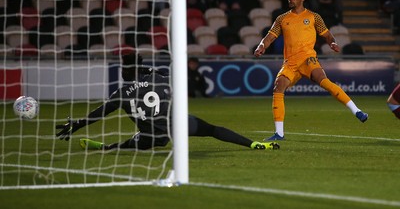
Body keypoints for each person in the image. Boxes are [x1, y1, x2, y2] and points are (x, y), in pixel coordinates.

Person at [56, 52, 279, 150]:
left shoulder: (121, 94)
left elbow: (99, 114)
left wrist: (76, 124)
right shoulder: (159, 77)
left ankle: (108, 147)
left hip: (152, 136)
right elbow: (149, 73)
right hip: (179, 125)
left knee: (135, 144)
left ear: (128, 70)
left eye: (124, 68)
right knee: (212, 129)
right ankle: (254, 144)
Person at [253, 0, 368, 141]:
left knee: (324, 82)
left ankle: (357, 111)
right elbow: (269, 37)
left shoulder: (314, 17)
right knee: (278, 86)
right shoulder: (282, 19)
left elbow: (327, 35)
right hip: (290, 63)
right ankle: (279, 133)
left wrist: (332, 43)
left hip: (308, 58)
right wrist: (261, 46)